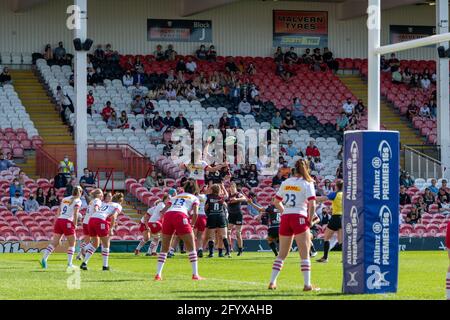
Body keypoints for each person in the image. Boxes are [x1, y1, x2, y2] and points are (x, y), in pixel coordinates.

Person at [269, 159, 319, 291]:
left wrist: (285, 212)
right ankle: (307, 284)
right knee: (304, 255)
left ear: (294, 170)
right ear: (306, 169)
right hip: (300, 217)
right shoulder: (308, 183)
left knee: (281, 254)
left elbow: (276, 202)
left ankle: (272, 281)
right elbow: (312, 204)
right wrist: (309, 219)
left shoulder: (286, 182)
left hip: (286, 218)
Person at [154, 180, 204, 281]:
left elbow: (163, 211)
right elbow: (196, 213)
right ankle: (195, 274)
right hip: (181, 215)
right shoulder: (194, 198)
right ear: (195, 190)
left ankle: (158, 274)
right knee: (191, 246)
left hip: (168, 216)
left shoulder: (175, 197)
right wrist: (192, 225)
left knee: (164, 248)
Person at [40, 186, 83, 269]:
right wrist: (75, 224)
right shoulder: (78, 201)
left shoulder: (65, 199)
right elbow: (75, 213)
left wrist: (55, 221)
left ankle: (44, 258)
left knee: (54, 242)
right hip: (67, 221)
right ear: (80, 192)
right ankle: (70, 264)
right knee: (72, 243)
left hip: (59, 220)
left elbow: (58, 211)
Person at [80, 193, 124, 271]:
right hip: (100, 221)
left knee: (95, 244)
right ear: (120, 201)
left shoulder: (106, 203)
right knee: (106, 244)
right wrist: (111, 228)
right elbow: (114, 216)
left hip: (92, 219)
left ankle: (84, 262)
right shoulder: (118, 206)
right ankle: (105, 266)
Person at [316, 180, 344, 263]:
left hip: (335, 217)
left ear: (336, 186)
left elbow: (323, 199)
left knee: (326, 237)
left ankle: (325, 258)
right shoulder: (346, 195)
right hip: (343, 218)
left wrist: (312, 198)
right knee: (341, 240)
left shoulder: (335, 194)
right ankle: (345, 259)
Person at [76, 188, 103, 261]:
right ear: (98, 194)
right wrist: (98, 216)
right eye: (101, 193)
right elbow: (96, 208)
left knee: (87, 240)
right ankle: (83, 252)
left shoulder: (92, 201)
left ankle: (79, 255)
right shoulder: (98, 201)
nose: (102, 194)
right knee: (95, 241)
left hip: (85, 222)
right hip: (91, 222)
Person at [205, 184, 230, 258]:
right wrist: (223, 187)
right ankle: (226, 252)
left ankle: (211, 253)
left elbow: (206, 208)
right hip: (220, 216)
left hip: (212, 216)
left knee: (211, 237)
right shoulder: (221, 197)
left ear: (212, 189)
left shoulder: (208, 197)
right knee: (224, 236)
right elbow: (227, 195)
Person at [227, 183, 247, 256]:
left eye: (233, 187)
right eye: (231, 187)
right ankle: (229, 248)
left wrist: (237, 199)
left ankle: (240, 250)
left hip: (238, 214)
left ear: (235, 187)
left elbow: (244, 198)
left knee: (238, 233)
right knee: (228, 232)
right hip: (231, 215)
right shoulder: (228, 195)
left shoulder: (238, 194)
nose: (232, 188)